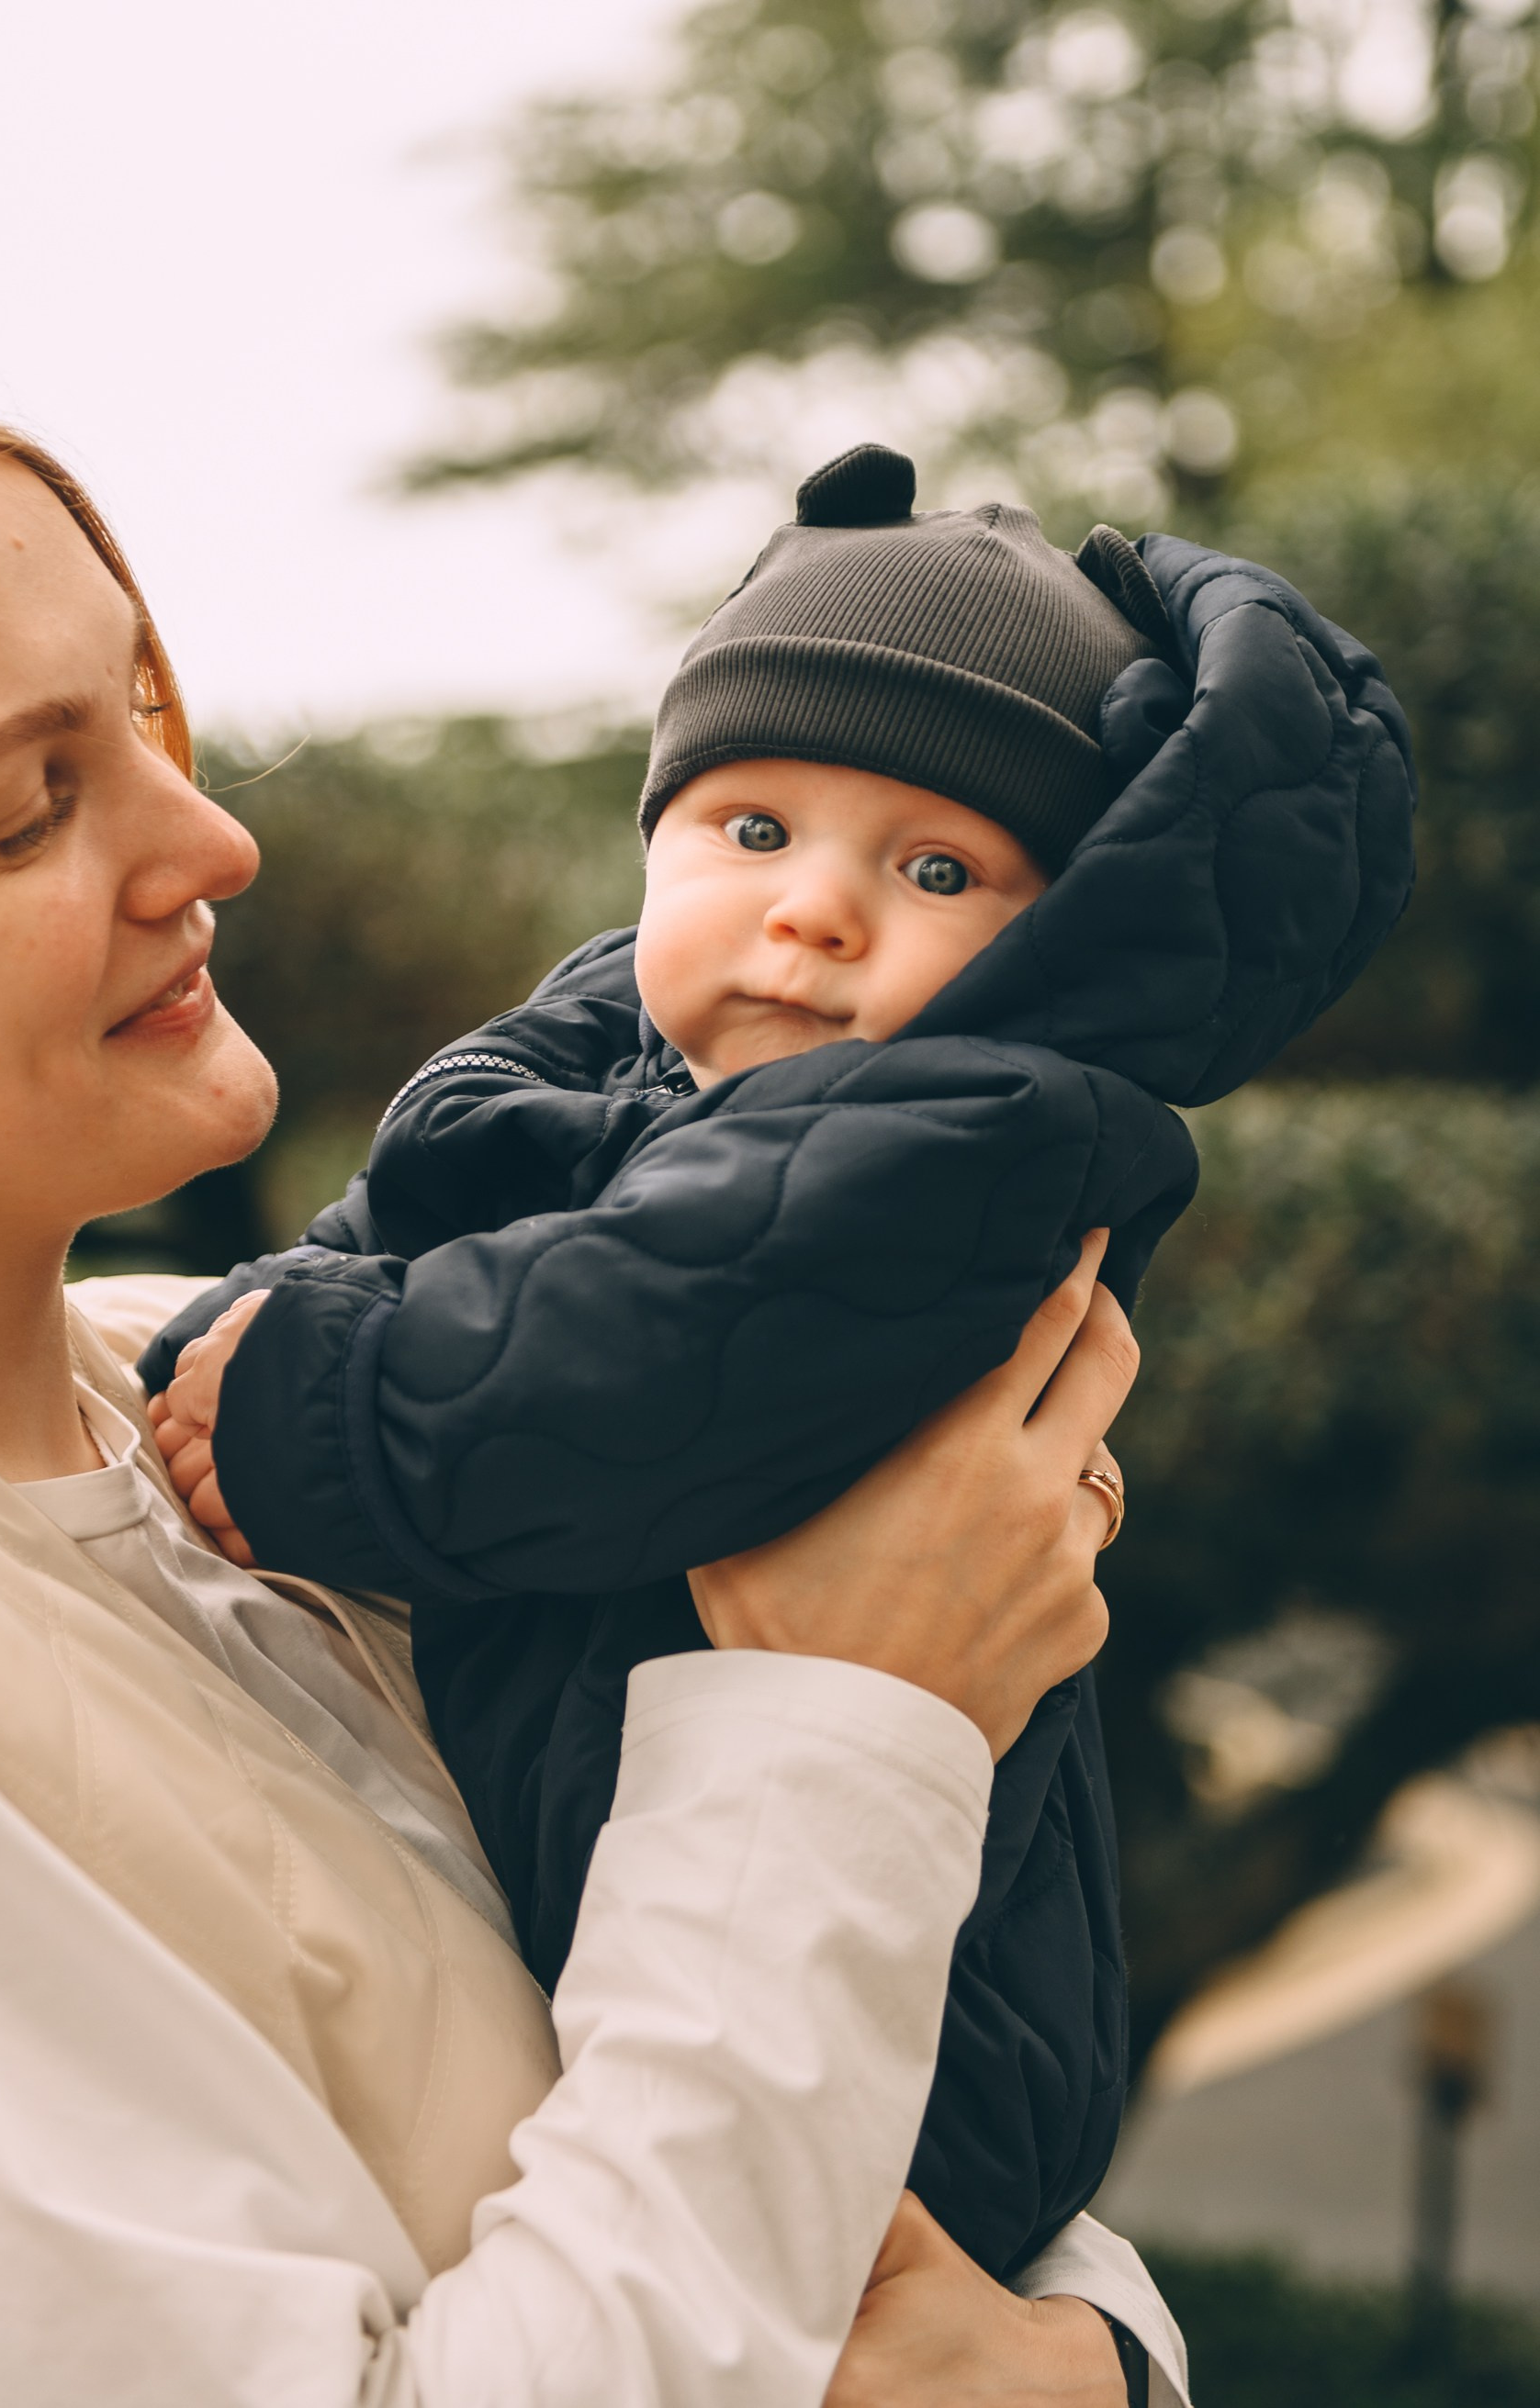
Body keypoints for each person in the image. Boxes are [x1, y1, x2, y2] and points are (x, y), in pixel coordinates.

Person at [0, 365, 1188, 2406]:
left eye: (143, 714)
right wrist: (860, 1710)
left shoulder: (224, 1376)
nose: (209, 835)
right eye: (24, 804)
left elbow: (889, 2076)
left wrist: (1092, 2358)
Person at [139, 444, 1418, 2277]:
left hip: (908, 2047)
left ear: (1047, 934)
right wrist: (239, 1328)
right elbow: (409, 1235)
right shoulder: (655, 1090)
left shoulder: (970, 1134)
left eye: (934, 864)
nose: (815, 908)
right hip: (695, 1961)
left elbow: (610, 1370)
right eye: (752, 831)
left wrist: (286, 1399)